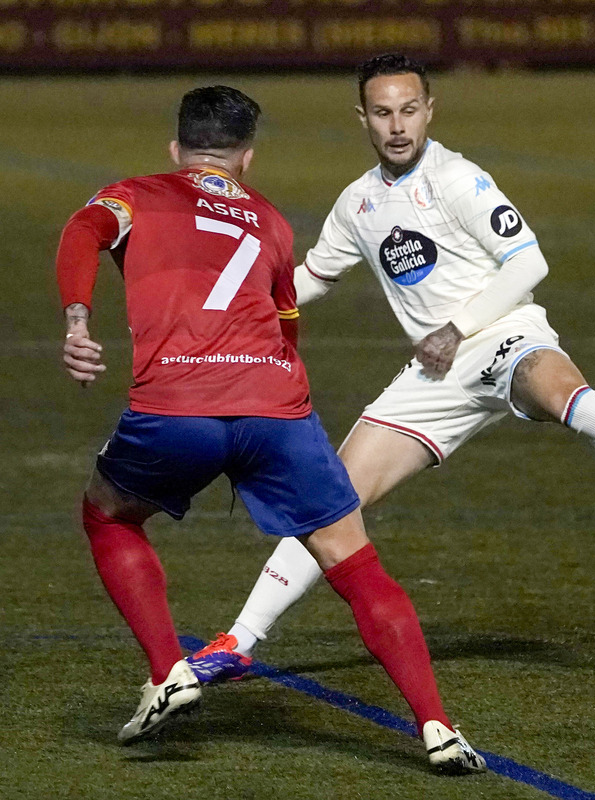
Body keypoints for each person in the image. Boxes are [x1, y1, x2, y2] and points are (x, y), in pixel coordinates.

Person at [185, 54, 595, 683]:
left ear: (429, 110)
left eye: (409, 110)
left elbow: (528, 265)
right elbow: (310, 279)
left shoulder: (460, 180)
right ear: (363, 117)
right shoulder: (357, 204)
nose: (397, 126)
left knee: (569, 399)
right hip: (434, 375)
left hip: (503, 335)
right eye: (383, 112)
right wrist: (228, 311)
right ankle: (239, 641)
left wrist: (458, 328)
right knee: (327, 503)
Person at [56, 86, 486, 772]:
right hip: (276, 411)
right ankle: (437, 727)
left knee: (107, 515)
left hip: (178, 408)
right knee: (354, 560)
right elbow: (288, 324)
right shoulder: (271, 222)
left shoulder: (136, 192)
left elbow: (83, 230)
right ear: (246, 159)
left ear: (176, 150)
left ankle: (169, 670)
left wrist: (78, 321)